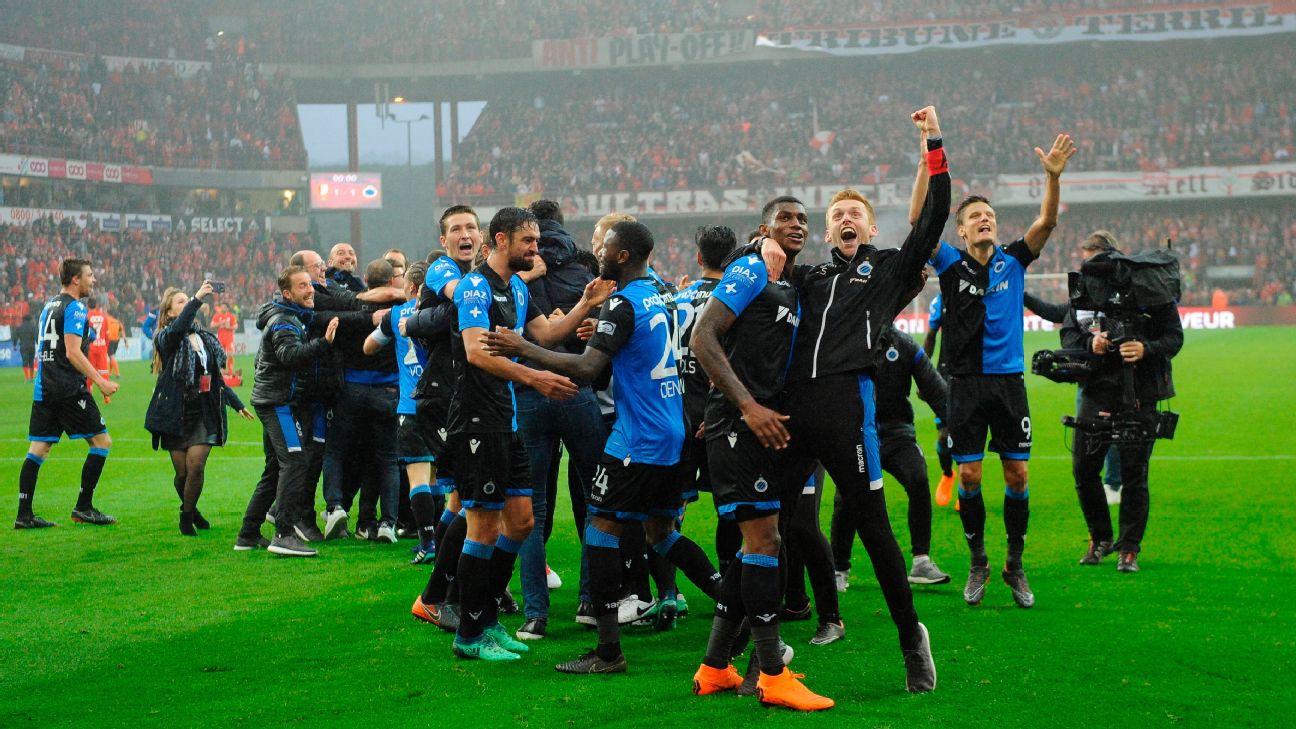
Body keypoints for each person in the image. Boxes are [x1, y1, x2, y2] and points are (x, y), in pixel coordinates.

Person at [756, 106, 946, 694]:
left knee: (873, 526)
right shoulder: (806, 276)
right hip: (790, 411)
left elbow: (935, 216)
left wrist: (932, 143)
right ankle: (752, 653)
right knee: (769, 524)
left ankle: (912, 638)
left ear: (868, 229)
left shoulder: (889, 270)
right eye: (837, 213)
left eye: (854, 215)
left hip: (847, 409)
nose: (844, 219)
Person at [482, 219, 722, 674]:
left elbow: (589, 370)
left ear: (624, 255)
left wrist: (522, 346)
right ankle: (738, 605)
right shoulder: (661, 293)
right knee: (662, 534)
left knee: (600, 528)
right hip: (671, 426)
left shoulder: (624, 302)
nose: (600, 254)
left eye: (607, 248)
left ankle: (608, 651)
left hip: (638, 437)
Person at [442, 206, 612, 661]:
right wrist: (535, 379)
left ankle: (489, 621)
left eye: (536, 241)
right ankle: (469, 633)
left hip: (508, 419)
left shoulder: (517, 286)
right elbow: (477, 352)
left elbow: (547, 335)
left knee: (521, 523)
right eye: (528, 242)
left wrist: (585, 303)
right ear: (501, 240)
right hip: (478, 421)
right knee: (483, 527)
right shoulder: (476, 286)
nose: (536, 249)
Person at [689, 198, 833, 710]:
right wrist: (748, 407)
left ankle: (713, 667)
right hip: (739, 425)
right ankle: (773, 674)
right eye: (785, 219)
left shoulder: (788, 283)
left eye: (802, 220)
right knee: (766, 539)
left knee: (756, 545)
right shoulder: (751, 267)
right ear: (763, 229)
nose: (796, 225)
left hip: (758, 426)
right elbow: (701, 336)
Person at [929, 133, 1076, 609]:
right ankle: (978, 561)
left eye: (989, 214)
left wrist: (1052, 178)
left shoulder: (1014, 261)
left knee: (1016, 475)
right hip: (966, 386)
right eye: (975, 217)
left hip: (1009, 385)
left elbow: (1048, 221)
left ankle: (1015, 563)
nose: (985, 219)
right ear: (962, 233)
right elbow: (920, 225)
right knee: (969, 477)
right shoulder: (949, 264)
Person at [507, 199, 608, 641]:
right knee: (595, 500)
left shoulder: (515, 272)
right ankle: (590, 601)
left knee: (532, 506)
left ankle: (535, 614)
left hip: (529, 392)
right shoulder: (586, 271)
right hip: (577, 389)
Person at [1061, 232, 1182, 572]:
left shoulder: (1149, 288)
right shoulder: (1082, 291)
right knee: (1084, 469)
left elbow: (1174, 336)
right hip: (1096, 388)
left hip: (1140, 392)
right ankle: (1100, 538)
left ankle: (1129, 548)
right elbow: (1069, 335)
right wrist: (1091, 343)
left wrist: (1146, 348)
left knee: (1134, 473)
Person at [831, 325, 951, 590]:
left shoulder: (904, 344)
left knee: (918, 478)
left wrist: (955, 423)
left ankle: (921, 561)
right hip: (858, 434)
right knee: (846, 498)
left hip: (897, 433)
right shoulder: (848, 339)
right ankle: (839, 569)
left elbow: (935, 388)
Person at [409, 204, 482, 632]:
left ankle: (453, 590)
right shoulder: (443, 273)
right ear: (444, 240)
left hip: (462, 396)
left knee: (461, 498)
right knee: (468, 498)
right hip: (439, 397)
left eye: (471, 226)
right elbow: (461, 298)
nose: (464, 233)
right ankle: (439, 595)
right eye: (456, 228)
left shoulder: (478, 277)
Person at [15, 258, 120, 529]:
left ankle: (23, 514)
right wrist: (100, 381)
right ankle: (84, 507)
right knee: (102, 442)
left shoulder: (48, 306)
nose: (93, 280)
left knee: (39, 447)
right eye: (89, 275)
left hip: (45, 387)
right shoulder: (75, 307)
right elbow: (72, 352)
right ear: (76, 279)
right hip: (68, 389)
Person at [243, 265, 339, 556]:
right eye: (302, 286)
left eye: (310, 285)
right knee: (295, 462)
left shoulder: (290, 316)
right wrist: (323, 343)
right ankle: (283, 533)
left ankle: (247, 533)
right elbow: (288, 357)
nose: (310, 290)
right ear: (287, 293)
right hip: (277, 403)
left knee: (274, 469)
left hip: (275, 399)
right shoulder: (284, 321)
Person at [145, 283, 254, 535]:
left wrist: (235, 403)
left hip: (204, 411)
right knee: (182, 474)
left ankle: (185, 518)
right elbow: (178, 329)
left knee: (196, 466)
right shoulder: (166, 338)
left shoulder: (205, 338)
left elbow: (214, 378)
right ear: (170, 313)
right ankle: (192, 510)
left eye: (188, 301)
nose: (187, 305)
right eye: (181, 302)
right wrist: (197, 297)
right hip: (175, 411)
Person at [85, 297, 111, 403]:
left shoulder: (86, 316)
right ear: (96, 305)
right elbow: (107, 335)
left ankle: (88, 395)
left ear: (87, 305)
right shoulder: (103, 317)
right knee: (103, 371)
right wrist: (106, 347)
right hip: (102, 347)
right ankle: (106, 397)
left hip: (91, 346)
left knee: (89, 371)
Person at [211, 302, 239, 377]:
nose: (223, 308)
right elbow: (212, 324)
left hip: (229, 339)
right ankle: (222, 371)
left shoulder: (231, 316)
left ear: (227, 308)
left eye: (224, 307)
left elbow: (236, 326)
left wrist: (228, 327)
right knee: (221, 356)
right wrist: (220, 323)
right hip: (220, 340)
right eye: (222, 307)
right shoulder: (217, 316)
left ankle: (230, 371)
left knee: (229, 354)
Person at [14, 313, 36, 383]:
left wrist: (14, 345)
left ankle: (27, 378)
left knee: (25, 362)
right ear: (30, 319)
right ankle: (32, 378)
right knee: (31, 362)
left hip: (23, 347)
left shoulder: (19, 327)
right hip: (32, 346)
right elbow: (36, 336)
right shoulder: (33, 327)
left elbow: (15, 337)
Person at [105, 313, 123, 379]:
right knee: (111, 357)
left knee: (111, 356)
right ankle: (109, 373)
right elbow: (121, 330)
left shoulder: (108, 319)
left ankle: (117, 373)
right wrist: (119, 337)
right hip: (116, 340)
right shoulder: (118, 321)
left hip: (110, 340)